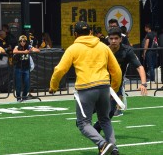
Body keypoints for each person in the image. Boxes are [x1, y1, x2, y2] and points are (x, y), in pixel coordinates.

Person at [49, 21, 122, 155]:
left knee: (83, 124)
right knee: (105, 119)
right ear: (90, 32)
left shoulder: (73, 48)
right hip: (104, 86)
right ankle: (114, 148)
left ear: (75, 34)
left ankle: (103, 144)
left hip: (85, 88)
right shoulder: (103, 47)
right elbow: (116, 70)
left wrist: (53, 86)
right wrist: (114, 89)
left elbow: (59, 69)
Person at [93, 27, 147, 131]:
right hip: (101, 83)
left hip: (115, 85)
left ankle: (96, 128)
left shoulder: (127, 51)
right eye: (111, 38)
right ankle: (82, 120)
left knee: (111, 111)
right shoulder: (103, 49)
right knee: (94, 108)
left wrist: (143, 83)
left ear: (120, 39)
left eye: (116, 38)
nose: (113, 41)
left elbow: (139, 67)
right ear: (108, 39)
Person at [13, 35, 40, 101]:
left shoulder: (28, 46)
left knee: (27, 83)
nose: (22, 42)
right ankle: (18, 97)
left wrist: (31, 50)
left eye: (24, 41)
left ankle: (24, 96)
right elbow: (14, 51)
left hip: (26, 68)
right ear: (19, 41)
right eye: (21, 41)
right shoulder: (17, 46)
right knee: (18, 84)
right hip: (18, 67)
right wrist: (24, 52)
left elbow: (37, 50)